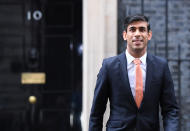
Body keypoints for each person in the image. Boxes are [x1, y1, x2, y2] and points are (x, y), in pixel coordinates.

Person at [89, 14, 179, 131]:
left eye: (142, 29)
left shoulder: (161, 66)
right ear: (125, 35)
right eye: (132, 29)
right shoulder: (109, 67)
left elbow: (170, 110)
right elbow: (97, 112)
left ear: (149, 35)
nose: (137, 34)